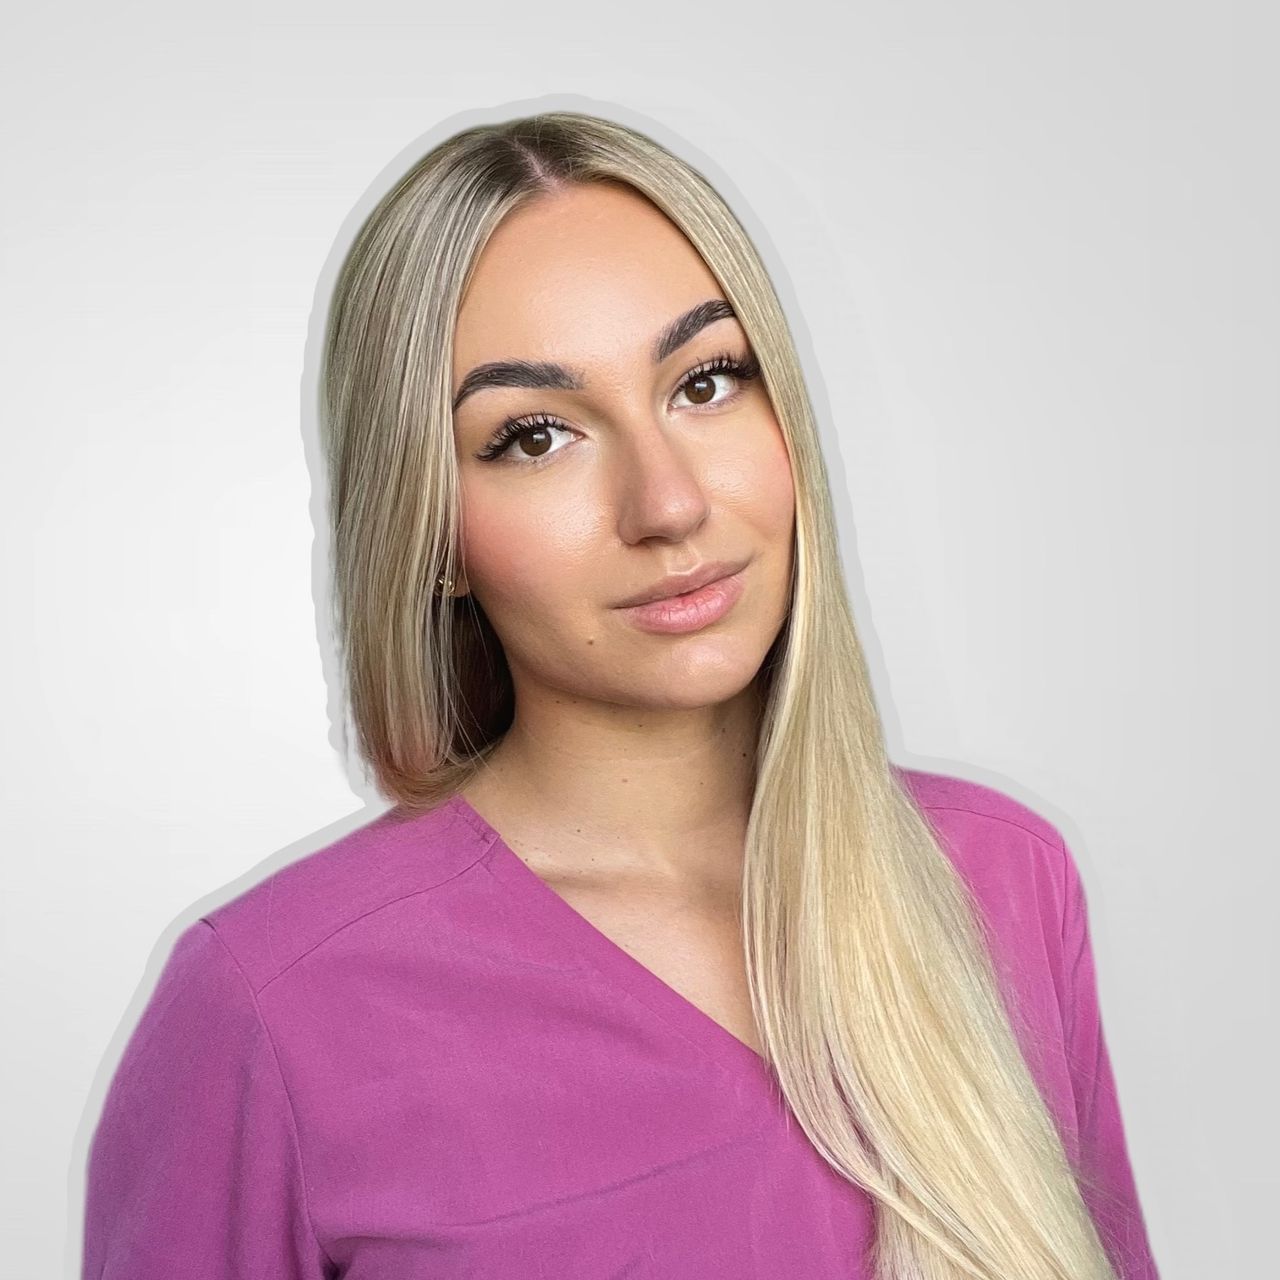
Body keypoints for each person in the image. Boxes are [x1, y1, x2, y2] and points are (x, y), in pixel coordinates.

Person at [81, 111, 1161, 1279]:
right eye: (533, 436)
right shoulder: (269, 1008)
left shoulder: (999, 877)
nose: (668, 502)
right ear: (428, 532)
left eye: (705, 380)